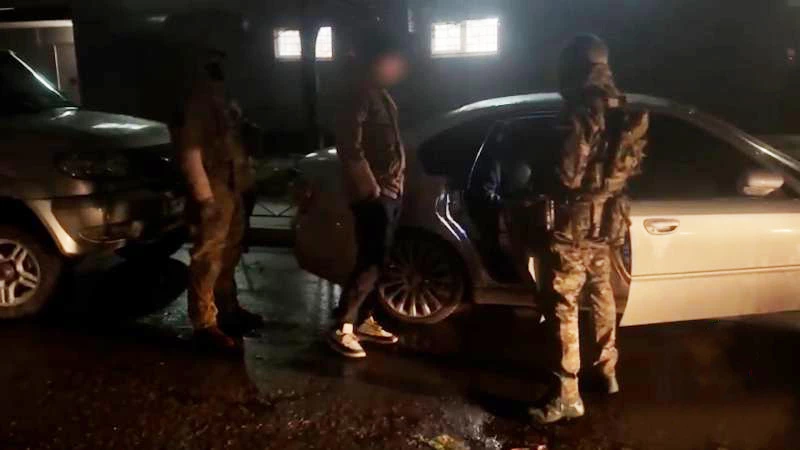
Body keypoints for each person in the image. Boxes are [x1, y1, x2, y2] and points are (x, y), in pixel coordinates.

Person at [527, 34, 649, 423]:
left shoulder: (581, 110)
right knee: (601, 294)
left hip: (575, 222)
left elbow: (567, 174)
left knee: (562, 303)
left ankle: (566, 395)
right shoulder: (620, 105)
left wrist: (539, 171)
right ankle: (606, 371)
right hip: (608, 218)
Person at [176, 49, 265, 354]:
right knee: (209, 256)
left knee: (229, 252)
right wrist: (204, 196)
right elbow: (190, 152)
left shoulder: (224, 100)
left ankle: (228, 309)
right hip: (215, 187)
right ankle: (204, 323)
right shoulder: (198, 102)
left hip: (232, 185)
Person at [328, 31, 409, 358]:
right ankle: (343, 326)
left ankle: (364, 319)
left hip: (389, 191)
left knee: (379, 260)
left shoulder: (380, 94)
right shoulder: (359, 93)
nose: (397, 68)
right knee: (370, 262)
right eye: (392, 62)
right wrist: (370, 189)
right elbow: (349, 145)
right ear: (375, 62)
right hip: (375, 194)